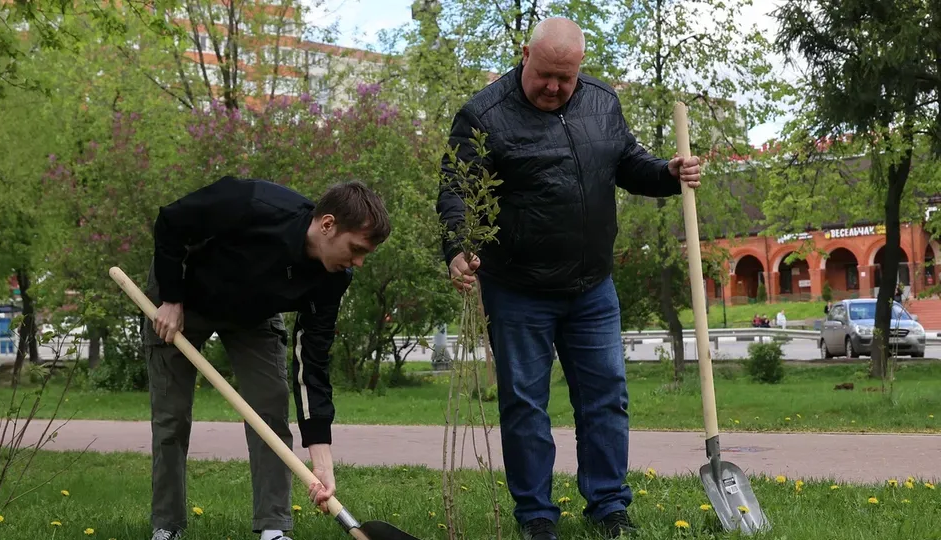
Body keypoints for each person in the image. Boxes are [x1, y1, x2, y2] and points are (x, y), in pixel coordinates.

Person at [436, 16, 701, 540]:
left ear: (580, 68)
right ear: (524, 54)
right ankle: (536, 516)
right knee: (525, 405)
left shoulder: (603, 104)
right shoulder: (480, 116)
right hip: (516, 291)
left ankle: (608, 505)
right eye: (546, 76)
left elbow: (627, 163)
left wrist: (667, 175)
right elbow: (456, 193)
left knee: (606, 397)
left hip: (592, 289)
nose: (555, 87)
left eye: (567, 77)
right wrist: (458, 250)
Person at [142, 176, 390, 540]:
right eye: (355, 249)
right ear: (327, 225)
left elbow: (312, 366)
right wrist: (171, 298)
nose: (359, 262)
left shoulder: (333, 279)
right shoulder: (253, 202)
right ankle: (167, 526)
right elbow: (172, 221)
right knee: (171, 417)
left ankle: (273, 530)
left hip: (253, 315)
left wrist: (322, 463)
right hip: (182, 297)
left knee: (270, 408)